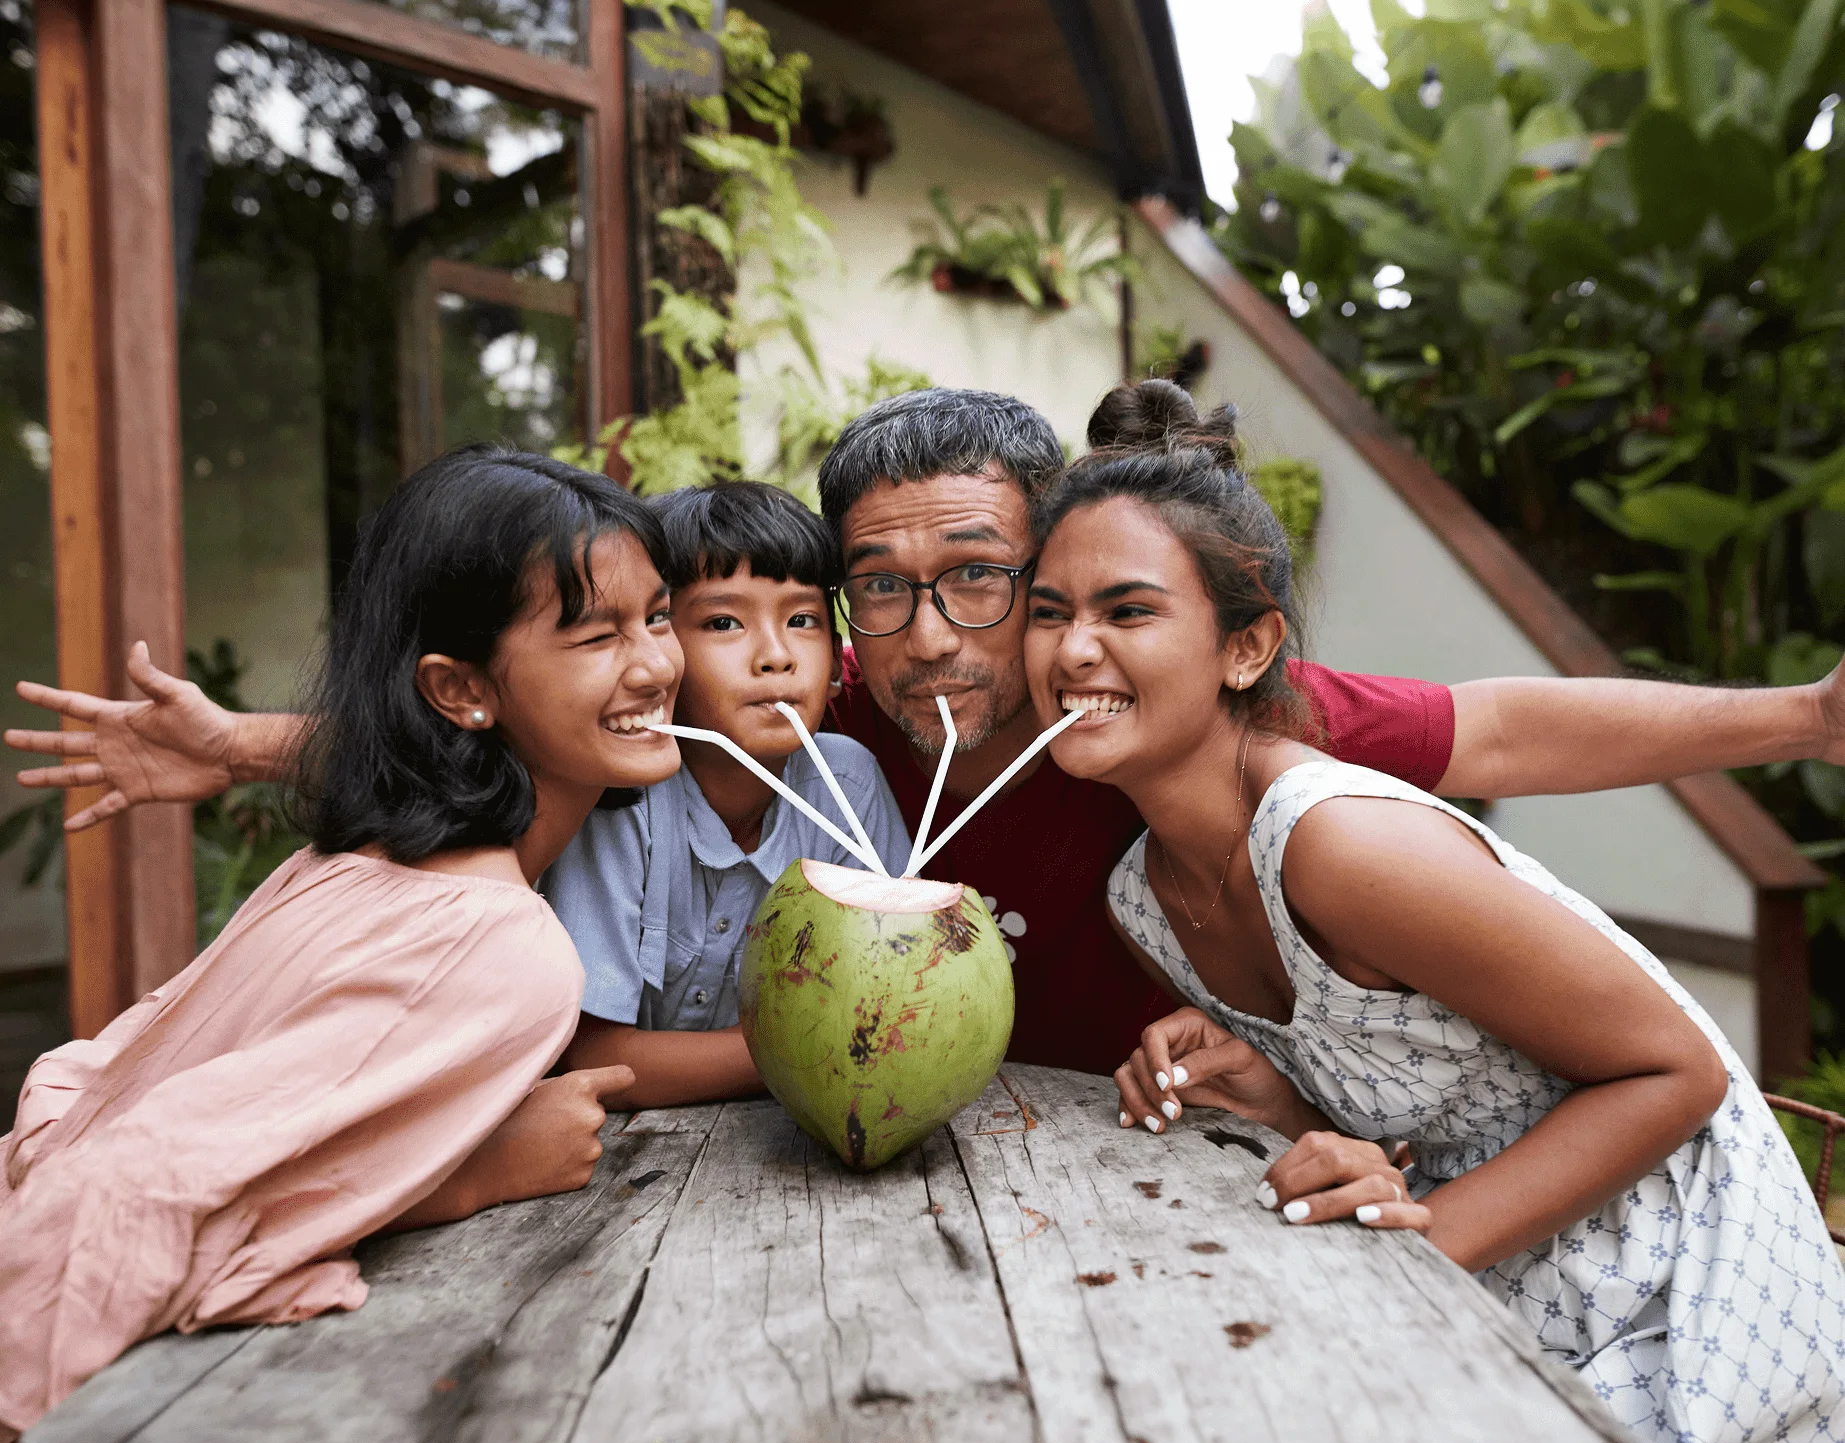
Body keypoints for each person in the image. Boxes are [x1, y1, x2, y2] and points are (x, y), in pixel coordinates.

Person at [10, 388, 1845, 1075]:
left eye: (983, 576)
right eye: (872, 584)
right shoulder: (834, 738)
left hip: (1190, 1154)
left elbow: (1511, 725)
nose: (929, 628)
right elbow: (559, 726)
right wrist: (246, 747)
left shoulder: (1162, 712)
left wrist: (1806, 714)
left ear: (1049, 570)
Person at [1039, 382, 1843, 1443]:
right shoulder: (1145, 895)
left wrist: (1415, 1244)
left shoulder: (1339, 844)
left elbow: (1679, 1071)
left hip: (1687, 1299)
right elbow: (1417, 1092)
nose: (1074, 649)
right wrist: (1274, 1095)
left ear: (1246, 649)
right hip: (1499, 1287)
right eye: (1050, 613)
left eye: (1126, 611)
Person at [0, 448, 685, 1440]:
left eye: (657, 616)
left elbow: (119, 1107)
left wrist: (240, 742)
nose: (658, 664)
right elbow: (126, 1188)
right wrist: (465, 1174)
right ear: (459, 689)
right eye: (594, 635)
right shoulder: (497, 946)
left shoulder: (350, 866)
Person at [544, 481, 908, 1107]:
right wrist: (820, 1051)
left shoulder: (846, 786)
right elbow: (593, 1057)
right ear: (659, 647)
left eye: (802, 620)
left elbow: (902, 987)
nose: (775, 656)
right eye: (722, 622)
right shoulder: (620, 796)